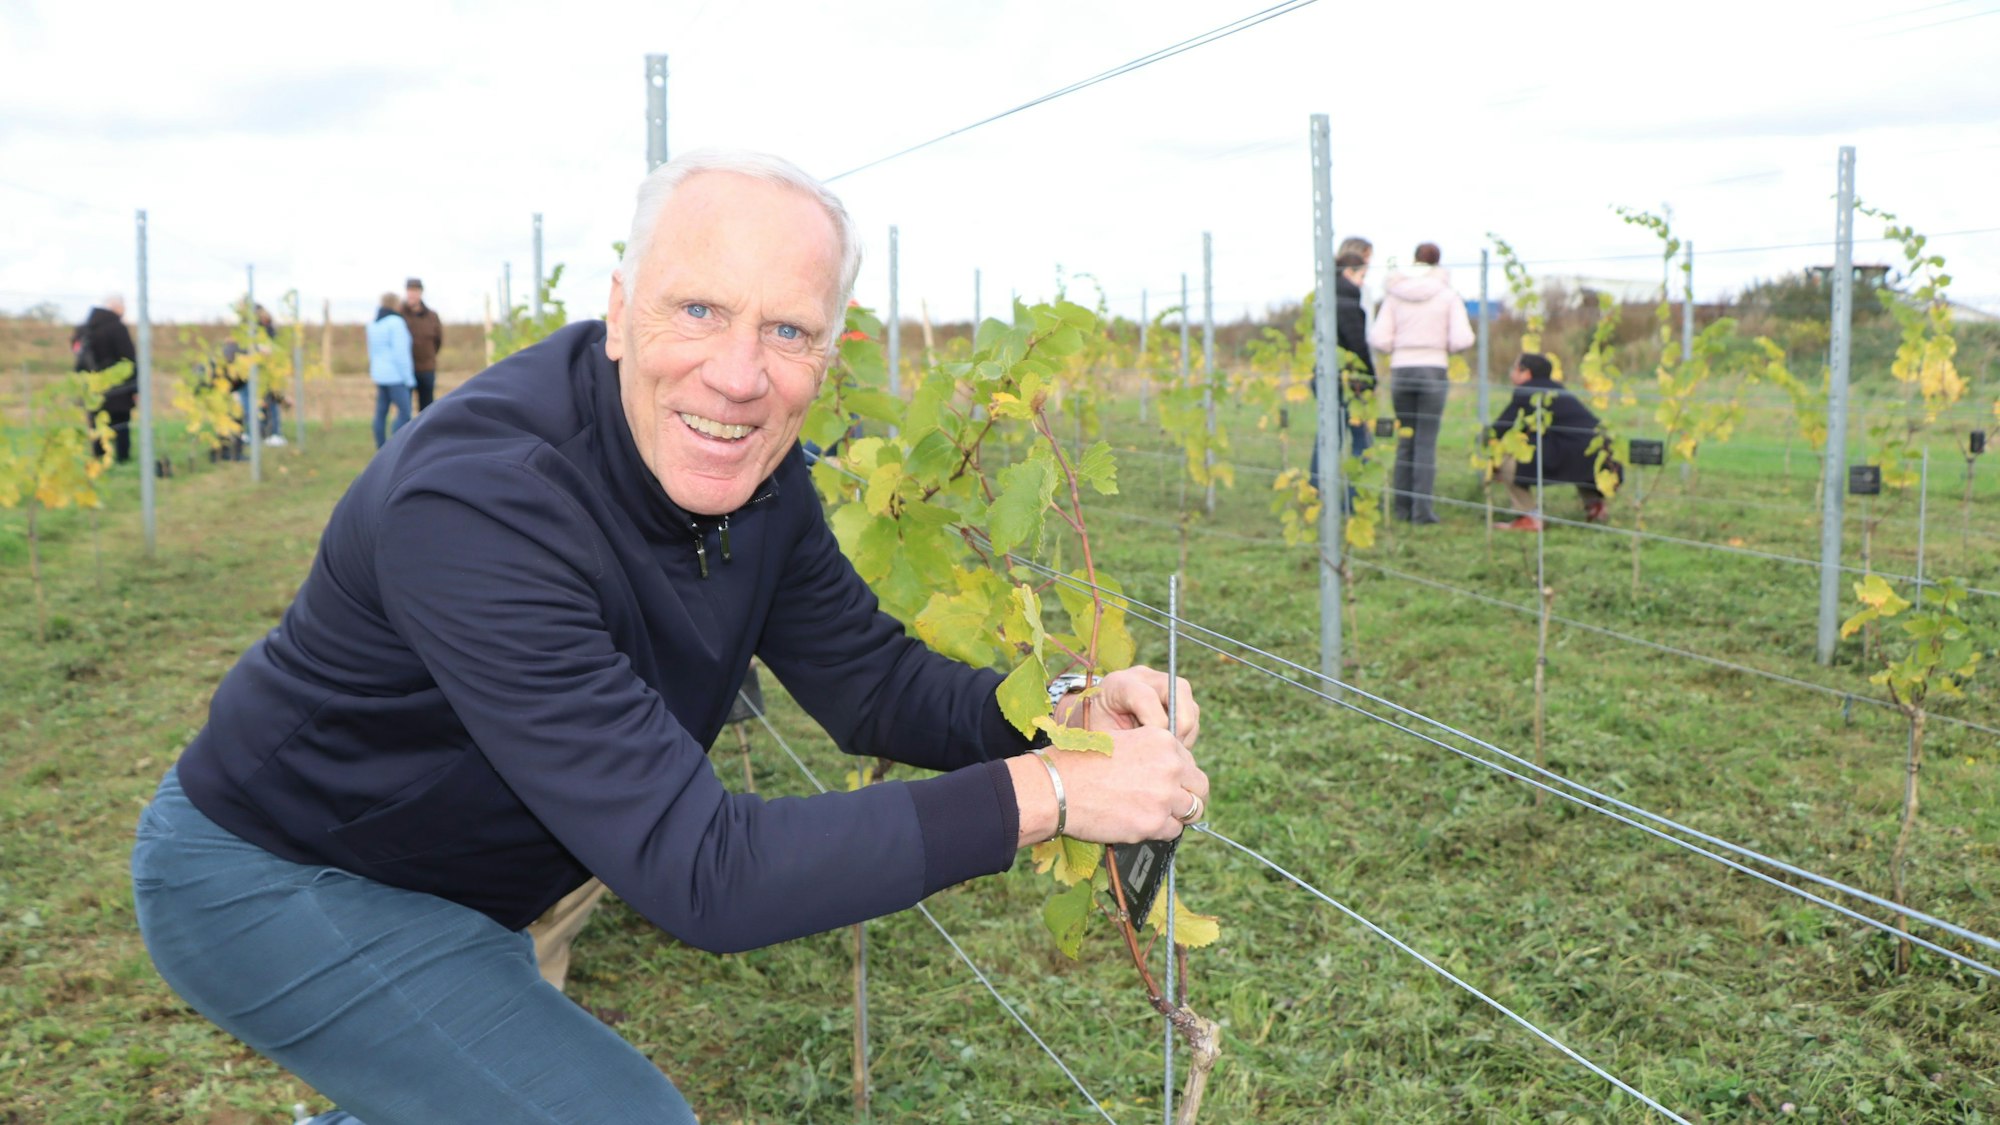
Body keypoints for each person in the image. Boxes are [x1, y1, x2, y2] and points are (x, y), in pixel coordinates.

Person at [130, 149, 1208, 1124]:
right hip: (278, 876)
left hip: (454, 884)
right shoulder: (478, 506)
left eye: (787, 331)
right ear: (618, 312)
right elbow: (709, 873)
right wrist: (1050, 794)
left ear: (826, 351)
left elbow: (869, 679)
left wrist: (1057, 711)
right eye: (698, 309)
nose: (738, 375)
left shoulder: (754, 468)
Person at [1368, 242, 1474, 524]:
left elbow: (1379, 338)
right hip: (1433, 368)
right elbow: (1463, 338)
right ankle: (1422, 512)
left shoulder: (1394, 295)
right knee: (1426, 442)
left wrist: (1400, 346)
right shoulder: (1447, 295)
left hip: (1401, 370)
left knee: (1405, 440)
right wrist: (1441, 345)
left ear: (1414, 259)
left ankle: (1401, 508)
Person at [1487, 352, 1615, 530]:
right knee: (1583, 454)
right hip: (1603, 451)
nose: (1511, 372)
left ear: (1526, 373)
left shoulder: (1527, 391)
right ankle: (1596, 506)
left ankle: (1529, 517)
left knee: (1506, 459)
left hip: (1570, 452)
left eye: (1514, 368)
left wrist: (1486, 447)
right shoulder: (1558, 389)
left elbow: (1501, 428)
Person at [1310, 237, 1377, 509]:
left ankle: (1318, 493)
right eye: (1362, 276)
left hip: (1325, 375)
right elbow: (1358, 346)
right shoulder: (1348, 304)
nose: (1363, 283)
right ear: (1349, 273)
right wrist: (1370, 377)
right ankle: (1354, 500)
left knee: (1329, 434)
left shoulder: (1323, 298)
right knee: (1361, 437)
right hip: (1350, 382)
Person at [72, 295, 138, 463]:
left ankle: (99, 457)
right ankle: (122, 459)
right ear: (118, 308)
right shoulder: (117, 328)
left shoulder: (84, 329)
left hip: (92, 387)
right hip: (118, 388)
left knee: (96, 422)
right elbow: (129, 360)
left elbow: (78, 357)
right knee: (121, 423)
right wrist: (135, 388)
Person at [365, 292, 415, 448]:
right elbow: (401, 354)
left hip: (380, 375)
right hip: (395, 376)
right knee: (405, 412)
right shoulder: (396, 323)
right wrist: (409, 378)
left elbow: (371, 351)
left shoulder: (374, 324)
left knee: (381, 413)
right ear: (396, 304)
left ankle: (381, 447)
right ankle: (395, 447)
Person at [401, 278, 444, 413]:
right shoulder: (399, 314)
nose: (412, 294)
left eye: (415, 291)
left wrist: (429, 356)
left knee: (427, 409)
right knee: (405, 409)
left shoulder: (432, 316)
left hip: (426, 368)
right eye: (410, 291)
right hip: (406, 369)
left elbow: (438, 340)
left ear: (421, 293)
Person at [255, 304, 287, 446]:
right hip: (261, 372)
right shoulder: (257, 331)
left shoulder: (270, 331)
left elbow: (275, 351)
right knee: (262, 404)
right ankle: (264, 433)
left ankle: (273, 433)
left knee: (271, 402)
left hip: (270, 373)